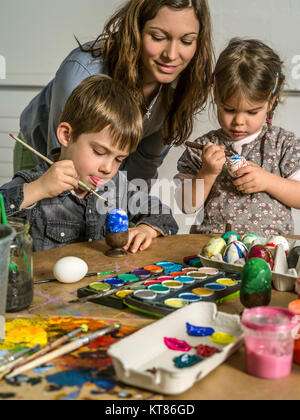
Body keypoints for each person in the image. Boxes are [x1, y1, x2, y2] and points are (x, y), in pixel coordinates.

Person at [15, 0, 213, 184]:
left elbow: (144, 167)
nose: (171, 55)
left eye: (187, 41)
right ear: (136, 30)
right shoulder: (82, 73)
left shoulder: (179, 90)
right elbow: (64, 160)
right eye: (158, 37)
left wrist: (131, 214)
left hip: (100, 167)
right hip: (43, 153)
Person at [1, 75, 178, 252]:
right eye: (99, 152)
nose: (108, 169)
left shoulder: (117, 187)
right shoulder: (36, 182)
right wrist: (39, 189)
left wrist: (146, 229)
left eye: (119, 159)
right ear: (66, 135)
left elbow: (164, 215)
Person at [175, 38, 300, 236]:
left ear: (271, 101)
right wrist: (206, 173)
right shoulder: (202, 148)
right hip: (212, 250)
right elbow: (186, 206)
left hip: (269, 252)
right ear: (215, 94)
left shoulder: (283, 144)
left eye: (252, 112)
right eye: (229, 109)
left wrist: (268, 181)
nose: (239, 121)